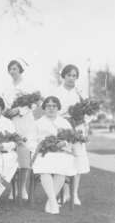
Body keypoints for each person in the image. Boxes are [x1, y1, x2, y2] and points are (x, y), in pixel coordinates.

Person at [31, 96, 76, 214]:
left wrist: (64, 143)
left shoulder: (63, 122)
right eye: (48, 106)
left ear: (58, 108)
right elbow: (31, 141)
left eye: (54, 106)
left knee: (61, 169)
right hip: (44, 153)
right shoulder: (38, 123)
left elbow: (71, 139)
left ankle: (50, 202)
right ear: (44, 108)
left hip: (61, 153)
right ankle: (53, 202)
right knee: (44, 169)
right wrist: (40, 146)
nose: (51, 108)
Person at [53, 64, 90, 205]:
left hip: (78, 129)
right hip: (63, 128)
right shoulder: (57, 92)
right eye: (69, 75)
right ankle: (64, 193)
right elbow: (52, 112)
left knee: (78, 159)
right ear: (63, 76)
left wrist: (81, 118)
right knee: (63, 159)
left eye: (74, 75)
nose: (71, 78)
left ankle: (74, 194)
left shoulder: (80, 93)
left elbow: (90, 113)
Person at [3, 59, 38, 200]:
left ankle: (22, 188)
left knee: (25, 154)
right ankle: (13, 189)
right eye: (10, 69)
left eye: (15, 69)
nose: (13, 71)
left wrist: (19, 109)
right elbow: (5, 103)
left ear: (20, 70)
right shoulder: (7, 87)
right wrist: (8, 111)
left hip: (26, 122)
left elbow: (34, 104)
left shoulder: (28, 85)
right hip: (12, 123)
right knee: (13, 154)